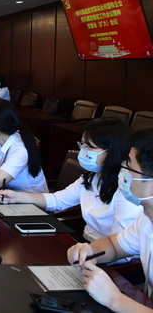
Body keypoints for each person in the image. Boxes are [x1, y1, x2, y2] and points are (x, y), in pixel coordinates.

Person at [0, 117, 142, 241]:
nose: (83, 150)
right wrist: (17, 196)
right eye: (82, 144)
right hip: (86, 245)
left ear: (112, 151)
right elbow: (58, 200)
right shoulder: (92, 177)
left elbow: (121, 245)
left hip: (107, 258)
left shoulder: (126, 191)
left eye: (89, 146)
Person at [67, 128, 153, 312]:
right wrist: (90, 250)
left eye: (128, 167)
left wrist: (114, 299)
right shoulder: (146, 219)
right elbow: (114, 246)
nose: (122, 172)